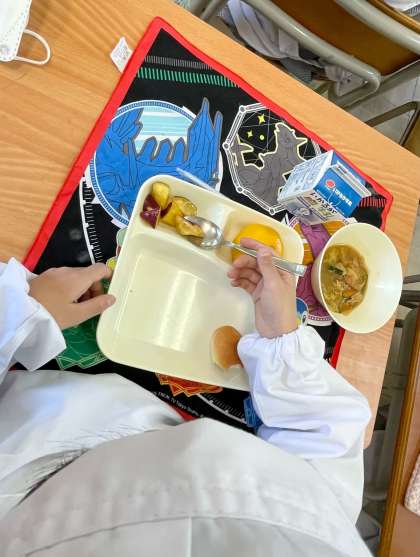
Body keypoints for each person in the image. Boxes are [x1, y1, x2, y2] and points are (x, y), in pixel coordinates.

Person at [0, 240, 372, 556]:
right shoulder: (325, 540)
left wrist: (20, 318)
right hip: (140, 404)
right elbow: (328, 446)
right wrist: (281, 338)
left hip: (39, 415)